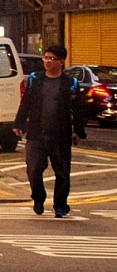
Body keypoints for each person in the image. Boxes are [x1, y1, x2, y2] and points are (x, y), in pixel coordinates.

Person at [14, 44, 88, 217]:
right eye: (45, 58)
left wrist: (79, 131)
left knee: (62, 172)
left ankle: (60, 205)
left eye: (51, 59)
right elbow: (26, 104)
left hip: (60, 135)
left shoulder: (71, 83)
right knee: (33, 169)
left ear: (61, 62)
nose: (47, 62)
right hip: (36, 134)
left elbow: (77, 109)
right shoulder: (34, 79)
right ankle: (38, 199)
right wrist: (18, 123)